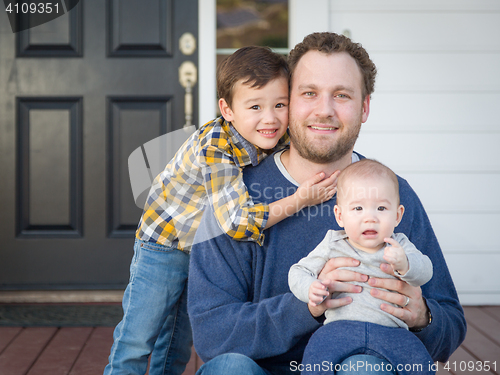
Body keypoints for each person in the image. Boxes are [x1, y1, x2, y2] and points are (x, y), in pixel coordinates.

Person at [188, 32, 466, 375]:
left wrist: (423, 317)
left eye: (342, 95)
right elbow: (213, 334)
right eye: (309, 93)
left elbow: (451, 325)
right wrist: (309, 302)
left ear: (364, 108)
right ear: (287, 101)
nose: (324, 109)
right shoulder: (235, 197)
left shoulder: (393, 195)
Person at [104, 46, 337, 375]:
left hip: (204, 251)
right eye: (255, 106)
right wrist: (301, 199)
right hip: (165, 246)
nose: (270, 118)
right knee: (139, 337)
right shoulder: (215, 144)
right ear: (227, 110)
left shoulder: (271, 135)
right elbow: (237, 222)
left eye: (280, 105)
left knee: (176, 342)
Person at [289, 159, 434, 374]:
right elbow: (298, 272)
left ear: (397, 215)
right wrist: (311, 288)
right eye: (358, 208)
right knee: (315, 360)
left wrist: (405, 264)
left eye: (381, 208)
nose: (370, 218)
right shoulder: (333, 243)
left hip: (392, 330)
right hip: (338, 328)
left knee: (420, 363)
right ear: (340, 215)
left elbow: (426, 270)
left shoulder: (400, 244)